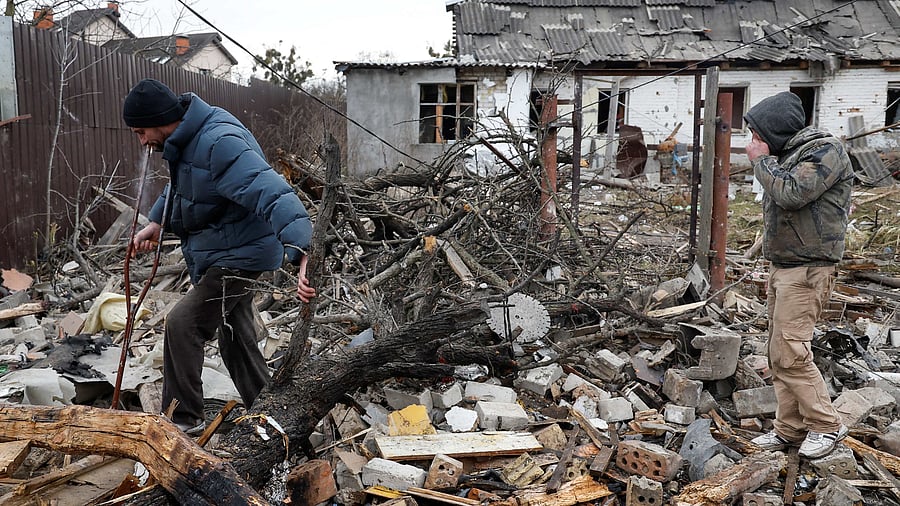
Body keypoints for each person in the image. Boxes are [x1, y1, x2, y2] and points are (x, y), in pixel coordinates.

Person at [124, 78, 316, 434]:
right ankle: (272, 416)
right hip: (226, 250)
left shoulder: (218, 143)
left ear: (159, 119)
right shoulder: (189, 138)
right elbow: (186, 185)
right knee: (234, 335)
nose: (141, 141)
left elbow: (272, 192)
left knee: (182, 323)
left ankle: (180, 426)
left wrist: (303, 251)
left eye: (140, 131)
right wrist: (156, 221)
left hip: (240, 256)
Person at [744, 91, 854, 459]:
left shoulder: (826, 152)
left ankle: (826, 426)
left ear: (775, 130)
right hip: (786, 268)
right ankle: (789, 430)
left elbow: (792, 193)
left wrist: (762, 162)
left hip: (809, 269)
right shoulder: (790, 156)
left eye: (758, 135)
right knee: (778, 352)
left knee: (791, 352)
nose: (753, 144)